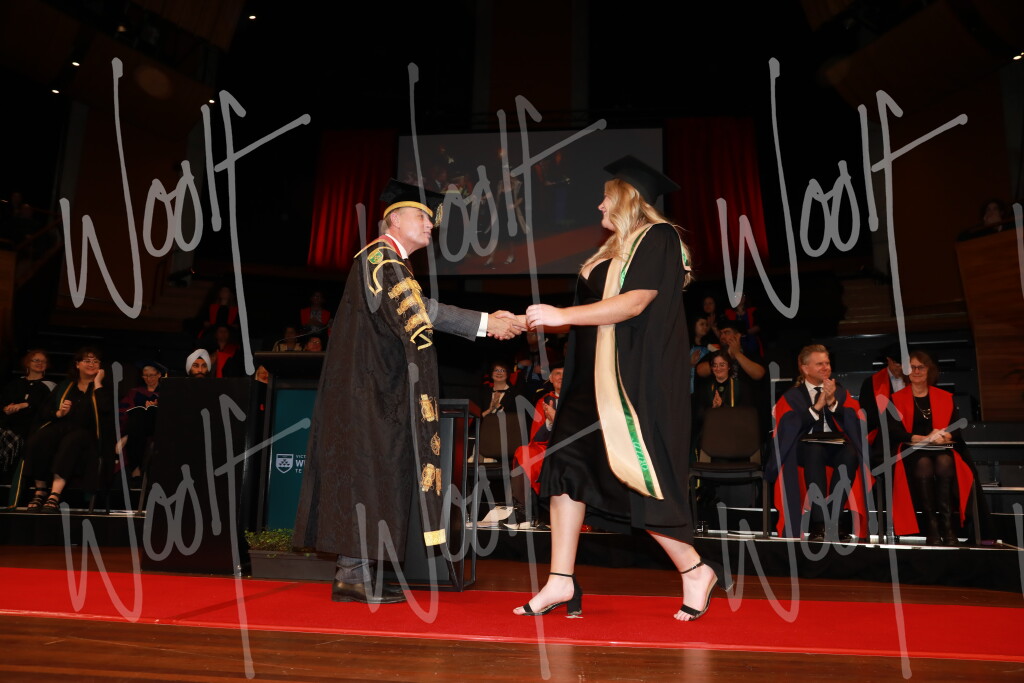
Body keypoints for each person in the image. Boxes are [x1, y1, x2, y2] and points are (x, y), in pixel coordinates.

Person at [292, 179, 523, 605]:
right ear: (394, 219)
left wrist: (488, 321)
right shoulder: (380, 259)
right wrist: (487, 322)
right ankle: (353, 575)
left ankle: (359, 571)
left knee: (376, 476)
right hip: (368, 392)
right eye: (422, 217)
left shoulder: (391, 262)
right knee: (366, 477)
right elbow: (422, 311)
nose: (431, 225)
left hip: (377, 389)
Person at [517, 155, 720, 622]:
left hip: (633, 382)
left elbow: (634, 303)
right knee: (565, 468)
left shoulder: (659, 237)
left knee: (637, 471)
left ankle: (694, 569)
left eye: (606, 198)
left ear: (629, 199)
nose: (599, 206)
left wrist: (561, 315)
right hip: (590, 380)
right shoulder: (611, 250)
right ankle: (560, 580)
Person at [765, 345, 868, 542]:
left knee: (850, 453)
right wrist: (818, 406)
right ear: (805, 368)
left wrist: (833, 403)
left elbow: (855, 422)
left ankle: (834, 521)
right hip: (803, 448)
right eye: (819, 364)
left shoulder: (840, 392)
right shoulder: (792, 396)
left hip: (835, 445)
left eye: (827, 363)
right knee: (814, 450)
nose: (825, 367)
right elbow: (787, 428)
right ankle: (819, 522)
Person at [885, 350, 979, 546]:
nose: (916, 371)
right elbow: (893, 430)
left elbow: (956, 429)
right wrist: (918, 438)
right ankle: (932, 525)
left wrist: (945, 436)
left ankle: (947, 523)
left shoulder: (944, 397)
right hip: (911, 450)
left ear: (930, 370)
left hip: (940, 448)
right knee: (924, 464)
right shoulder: (896, 399)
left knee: (944, 461)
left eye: (921, 367)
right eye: (912, 367)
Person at [22, 347, 113, 512]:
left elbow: (106, 409)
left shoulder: (104, 387)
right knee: (39, 438)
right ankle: (40, 490)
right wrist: (59, 412)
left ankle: (55, 494)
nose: (91, 364)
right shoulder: (65, 386)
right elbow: (44, 411)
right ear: (77, 364)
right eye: (87, 360)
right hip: (62, 427)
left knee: (71, 441)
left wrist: (98, 383)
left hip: (88, 435)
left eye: (95, 361)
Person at [0, 350, 52, 481]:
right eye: (36, 360)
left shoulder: (49, 386)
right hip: (9, 423)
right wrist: (6, 408)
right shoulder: (15, 384)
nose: (40, 363)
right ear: (28, 363)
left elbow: (45, 408)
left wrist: (25, 405)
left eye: (43, 361)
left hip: (31, 427)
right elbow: (4, 401)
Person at [116, 362, 164, 485]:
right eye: (145, 375)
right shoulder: (135, 392)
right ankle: (136, 469)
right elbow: (123, 411)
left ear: (159, 375)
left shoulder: (165, 392)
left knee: (150, 410)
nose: (149, 378)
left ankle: (127, 436)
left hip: (158, 427)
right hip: (137, 428)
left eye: (152, 375)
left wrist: (158, 405)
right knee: (138, 412)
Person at [858, 343, 906, 465]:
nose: (901, 368)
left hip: (910, 432)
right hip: (884, 435)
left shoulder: (916, 379)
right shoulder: (871, 383)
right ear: (888, 360)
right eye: (897, 364)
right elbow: (867, 416)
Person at [723, 293, 763, 359]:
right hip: (735, 343)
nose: (740, 298)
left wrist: (746, 332)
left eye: (742, 295)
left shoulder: (753, 310)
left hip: (751, 342)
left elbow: (759, 326)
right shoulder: (728, 312)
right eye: (736, 296)